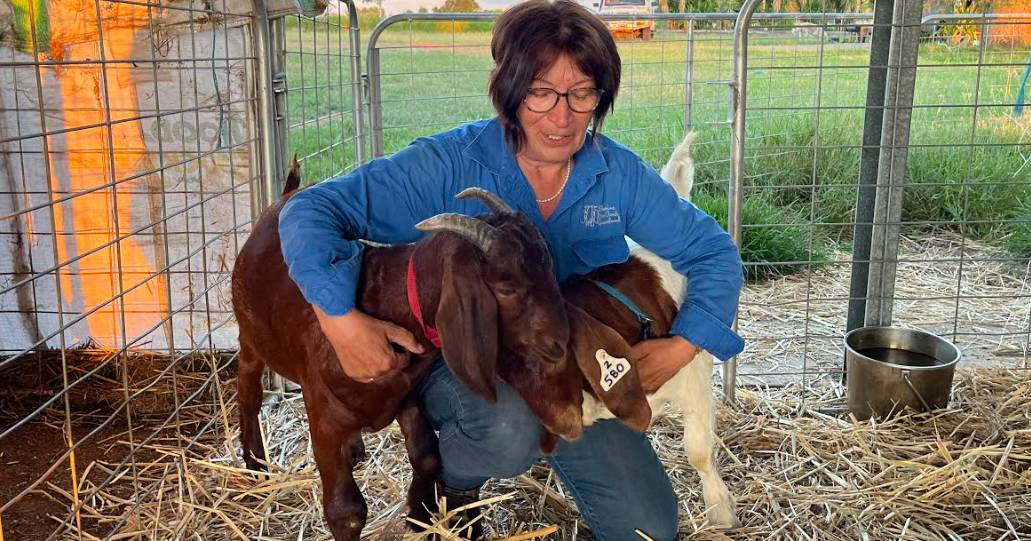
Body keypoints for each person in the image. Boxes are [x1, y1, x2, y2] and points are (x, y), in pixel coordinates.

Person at [277, 1, 744, 538]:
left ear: (601, 97)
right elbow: (308, 211)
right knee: (506, 429)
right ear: (509, 89)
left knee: (648, 530)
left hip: (579, 359)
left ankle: (556, 436)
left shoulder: (616, 175)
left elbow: (714, 252)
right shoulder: (450, 163)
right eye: (541, 92)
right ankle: (449, 478)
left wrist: (684, 344)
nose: (562, 116)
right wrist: (338, 319)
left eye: (582, 93)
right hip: (474, 357)